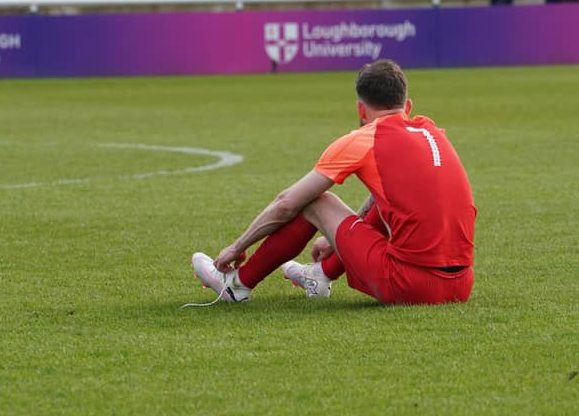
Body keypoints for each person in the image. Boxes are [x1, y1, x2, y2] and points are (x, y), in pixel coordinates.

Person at [190, 59, 476, 306]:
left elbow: (287, 203)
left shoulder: (364, 138)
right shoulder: (431, 130)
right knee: (389, 202)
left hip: (410, 285)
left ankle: (237, 285)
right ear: (408, 106)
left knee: (316, 200)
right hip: (461, 285)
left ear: (361, 110)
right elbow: (389, 198)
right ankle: (322, 274)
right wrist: (338, 236)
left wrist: (237, 247)